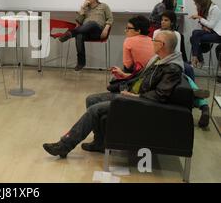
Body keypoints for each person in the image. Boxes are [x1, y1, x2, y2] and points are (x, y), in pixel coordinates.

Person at [43, 31, 183, 157]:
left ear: (162, 45)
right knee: (92, 99)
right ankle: (99, 142)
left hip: (141, 102)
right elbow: (141, 78)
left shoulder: (172, 68)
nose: (152, 43)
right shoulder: (157, 59)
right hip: (133, 94)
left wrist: (136, 96)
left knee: (94, 109)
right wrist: (124, 75)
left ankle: (64, 145)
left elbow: (161, 95)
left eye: (155, 41)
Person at [154, 10, 210, 127]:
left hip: (175, 61)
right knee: (185, 76)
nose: (163, 22)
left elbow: (179, 53)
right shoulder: (156, 33)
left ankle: (201, 104)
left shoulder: (178, 35)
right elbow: (155, 52)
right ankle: (201, 103)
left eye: (166, 20)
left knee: (187, 69)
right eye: (162, 20)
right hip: (162, 62)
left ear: (172, 22)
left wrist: (184, 63)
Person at [59, 0, 113, 71]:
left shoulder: (104, 6)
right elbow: (78, 21)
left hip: (98, 32)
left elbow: (110, 19)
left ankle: (70, 34)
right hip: (85, 32)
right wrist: (82, 8)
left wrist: (106, 29)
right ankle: (81, 63)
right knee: (79, 35)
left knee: (92, 23)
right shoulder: (85, 8)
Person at [189, 0, 221, 68]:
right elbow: (207, 25)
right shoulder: (206, 9)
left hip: (218, 35)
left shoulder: (214, 8)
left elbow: (211, 25)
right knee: (194, 34)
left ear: (201, 2)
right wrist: (204, 27)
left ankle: (196, 58)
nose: (195, 4)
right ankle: (198, 59)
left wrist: (199, 18)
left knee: (194, 37)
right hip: (212, 32)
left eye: (196, 2)